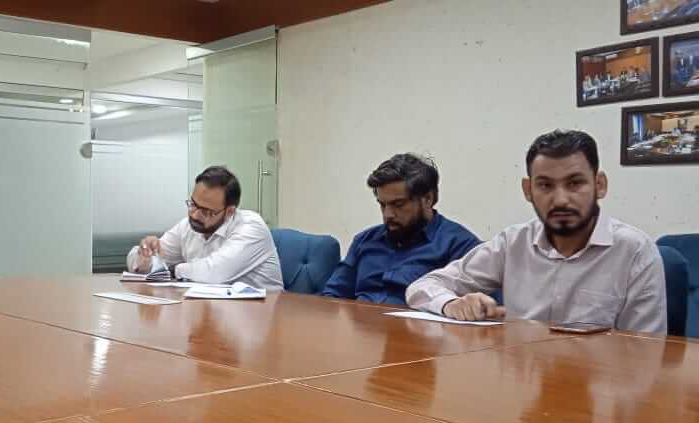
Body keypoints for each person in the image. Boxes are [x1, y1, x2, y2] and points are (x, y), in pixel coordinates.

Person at [406, 130, 666, 333]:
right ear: (528, 190)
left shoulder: (634, 251)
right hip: (522, 379)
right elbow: (423, 286)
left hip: (598, 382)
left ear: (600, 185)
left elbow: (646, 349)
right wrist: (452, 304)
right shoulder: (513, 243)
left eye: (575, 183)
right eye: (545, 186)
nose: (560, 199)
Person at [320, 153, 480, 305]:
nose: (388, 214)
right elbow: (332, 297)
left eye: (398, 204)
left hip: (415, 324)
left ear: (428, 199)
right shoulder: (364, 240)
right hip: (360, 322)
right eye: (382, 205)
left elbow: (475, 308)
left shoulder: (460, 245)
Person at [127, 166, 283, 290]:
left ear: (229, 212)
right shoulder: (188, 226)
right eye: (193, 204)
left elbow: (215, 272)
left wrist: (174, 270)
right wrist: (144, 258)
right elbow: (138, 260)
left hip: (262, 313)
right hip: (211, 311)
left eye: (206, 211)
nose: (194, 215)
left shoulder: (251, 226)